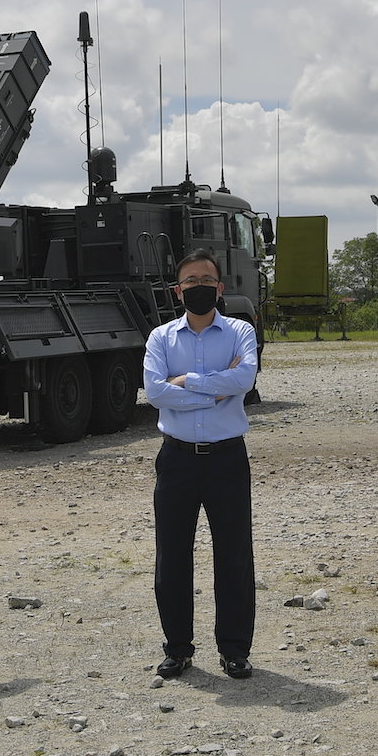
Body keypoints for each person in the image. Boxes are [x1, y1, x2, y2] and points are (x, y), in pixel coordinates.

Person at [143, 249, 259, 681]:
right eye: (190, 281)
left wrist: (187, 382)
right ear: (178, 291)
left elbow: (245, 379)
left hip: (228, 458)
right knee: (172, 557)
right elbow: (155, 392)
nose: (198, 287)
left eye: (206, 280)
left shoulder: (240, 332)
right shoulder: (161, 338)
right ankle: (177, 649)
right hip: (176, 459)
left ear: (220, 287)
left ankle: (234, 650)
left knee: (234, 556)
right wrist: (216, 392)